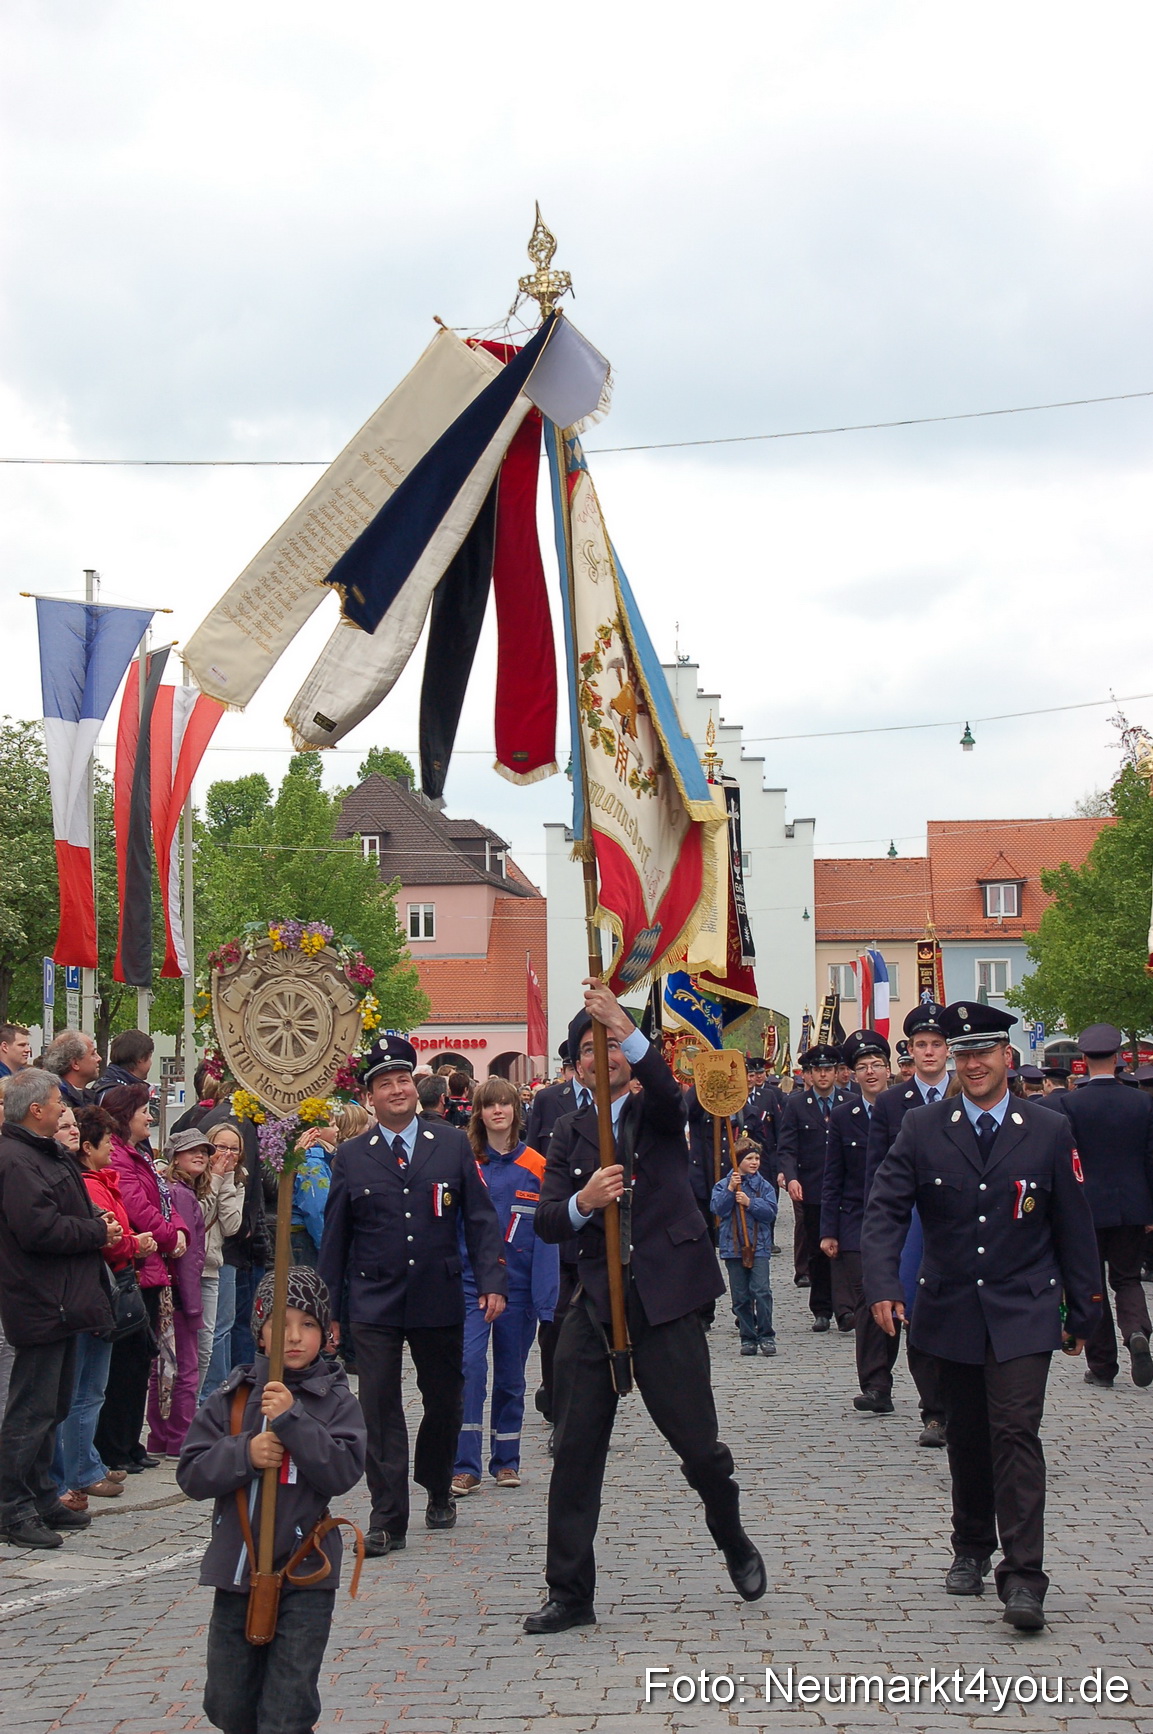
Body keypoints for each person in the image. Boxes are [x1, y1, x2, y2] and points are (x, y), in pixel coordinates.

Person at [526, 981, 765, 1635]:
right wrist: (584, 1203)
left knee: (698, 1447)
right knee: (574, 1452)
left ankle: (730, 1530)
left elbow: (665, 1088)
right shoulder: (567, 1131)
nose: (600, 1057)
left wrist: (617, 1019)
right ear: (573, 1066)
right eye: (586, 1049)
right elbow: (547, 1219)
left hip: (664, 1300)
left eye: (610, 1045)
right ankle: (569, 1592)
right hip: (595, 1303)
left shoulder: (658, 1113)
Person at [862, 1000, 1102, 1631]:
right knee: (966, 1435)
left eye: (982, 1052)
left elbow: (1073, 1225)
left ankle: (1024, 1577)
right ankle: (970, 1546)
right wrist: (884, 1282)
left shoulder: (1047, 1129)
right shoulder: (923, 1127)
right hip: (950, 1304)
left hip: (1023, 1304)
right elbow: (885, 1208)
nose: (971, 1064)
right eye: (961, 1053)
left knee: (1016, 1433)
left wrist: (1085, 1310)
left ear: (1007, 1057)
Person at [317, 1035, 507, 1558]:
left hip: (436, 1293)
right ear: (369, 1097)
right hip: (374, 1299)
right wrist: (328, 1311)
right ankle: (387, 1517)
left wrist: (491, 1280)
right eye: (385, 1084)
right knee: (378, 1407)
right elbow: (336, 1236)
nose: (397, 1090)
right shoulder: (352, 1156)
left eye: (403, 1080)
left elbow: (479, 1216)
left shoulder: (447, 1143)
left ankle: (437, 1482)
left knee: (445, 1398)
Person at [177, 1268, 367, 1734]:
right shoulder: (235, 1396)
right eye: (280, 1325)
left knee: (287, 1709)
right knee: (227, 1703)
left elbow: (342, 1470)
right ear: (260, 1333)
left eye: (307, 1324)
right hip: (237, 1569)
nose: (294, 1337)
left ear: (325, 1334)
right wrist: (245, 1451)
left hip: (304, 1570)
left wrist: (293, 1422)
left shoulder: (335, 1399)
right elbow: (192, 1472)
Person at [0, 1068, 117, 1548]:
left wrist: (96, 1218)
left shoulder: (44, 1153)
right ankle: (11, 1506)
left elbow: (70, 1205)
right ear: (36, 1110)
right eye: (57, 1102)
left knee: (54, 1405)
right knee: (31, 1410)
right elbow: (39, 1229)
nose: (64, 1109)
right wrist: (95, 1232)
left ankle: (43, 1495)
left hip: (65, 1298)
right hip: (41, 1297)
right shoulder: (15, 1159)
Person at [451, 1079, 559, 1496]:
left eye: (505, 1104)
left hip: (518, 1289)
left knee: (512, 1376)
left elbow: (547, 1237)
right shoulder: (466, 1163)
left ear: (517, 1110)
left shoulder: (536, 1165)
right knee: (470, 1369)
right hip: (470, 1286)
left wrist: (545, 1299)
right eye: (489, 1105)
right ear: (478, 1112)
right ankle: (465, 1465)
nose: (498, 1111)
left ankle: (507, 1460)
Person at [55, 1103, 156, 1505]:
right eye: (107, 1142)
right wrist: (134, 1242)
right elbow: (107, 1235)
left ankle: (86, 1462)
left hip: (101, 1291)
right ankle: (79, 1468)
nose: (112, 1149)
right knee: (83, 1388)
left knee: (93, 1386)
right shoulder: (87, 1182)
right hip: (89, 1291)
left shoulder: (98, 1179)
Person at [861, 1002, 951, 1447]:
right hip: (913, 1222)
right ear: (910, 1051)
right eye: (921, 1045)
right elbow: (877, 1172)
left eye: (937, 1044)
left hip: (961, 1219)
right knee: (917, 1314)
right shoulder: (893, 1102)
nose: (929, 1053)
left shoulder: (967, 1092)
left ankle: (967, 1405)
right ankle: (935, 1412)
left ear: (948, 1050)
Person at [1050, 1023, 1153, 1390]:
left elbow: (1066, 1160)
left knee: (1089, 1283)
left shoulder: (1069, 1104)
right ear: (1120, 1059)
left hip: (1086, 1208)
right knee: (1126, 1278)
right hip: (1133, 1205)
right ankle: (1137, 1331)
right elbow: (1150, 1159)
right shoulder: (1143, 1101)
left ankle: (1103, 1364)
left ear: (1082, 1060)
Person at [94, 1083, 187, 1474]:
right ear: (125, 1115)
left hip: (152, 1269)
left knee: (140, 1363)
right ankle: (114, 1445)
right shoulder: (118, 1156)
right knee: (126, 1365)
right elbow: (137, 1209)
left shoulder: (140, 1155)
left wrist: (178, 1228)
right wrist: (170, 1235)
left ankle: (130, 1442)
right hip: (135, 1269)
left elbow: (163, 1198)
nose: (150, 1117)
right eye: (144, 1110)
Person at [819, 1029, 895, 1398]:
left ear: (888, 1069)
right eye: (862, 1066)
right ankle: (875, 1384)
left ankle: (891, 1369)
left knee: (894, 1301)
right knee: (868, 1298)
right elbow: (832, 1177)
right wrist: (828, 1230)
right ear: (852, 1073)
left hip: (899, 1220)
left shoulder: (906, 1108)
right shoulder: (843, 1114)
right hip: (855, 1221)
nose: (870, 1072)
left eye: (877, 1065)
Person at [776, 1043, 849, 1330]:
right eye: (817, 1070)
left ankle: (845, 1309)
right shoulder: (796, 1104)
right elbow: (787, 1147)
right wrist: (791, 1177)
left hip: (845, 1188)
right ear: (809, 1074)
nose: (823, 1075)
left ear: (836, 1072)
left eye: (828, 1070)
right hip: (813, 1187)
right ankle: (821, 1309)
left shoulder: (849, 1100)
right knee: (818, 1251)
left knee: (846, 1249)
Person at [148, 1131, 209, 1456]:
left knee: (165, 1367)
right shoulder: (182, 1194)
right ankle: (180, 1438)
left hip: (171, 1290)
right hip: (180, 1294)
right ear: (176, 1157)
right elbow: (188, 1255)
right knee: (184, 1368)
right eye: (191, 1151)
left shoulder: (177, 1190)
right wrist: (193, 1303)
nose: (199, 1155)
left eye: (203, 1150)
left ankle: (161, 1437)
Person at [710, 1139, 777, 1355]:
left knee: (761, 1290)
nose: (754, 1162)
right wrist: (730, 1190)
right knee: (740, 1296)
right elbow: (718, 1209)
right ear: (738, 1161)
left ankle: (766, 1334)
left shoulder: (764, 1186)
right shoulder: (723, 1185)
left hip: (759, 1247)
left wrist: (750, 1203)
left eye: (757, 1158)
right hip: (733, 1247)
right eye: (749, 1158)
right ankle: (747, 1336)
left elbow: (770, 1213)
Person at [199, 1119, 247, 1398]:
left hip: (217, 1261)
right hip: (192, 1262)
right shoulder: (193, 1173)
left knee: (221, 1329)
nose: (227, 1155)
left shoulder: (238, 1179)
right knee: (201, 1336)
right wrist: (215, 1179)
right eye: (221, 1147)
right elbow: (200, 1217)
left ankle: (213, 1395)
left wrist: (226, 1180)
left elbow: (231, 1225)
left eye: (234, 1149)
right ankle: (200, 1395)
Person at [90, 1029, 154, 1101]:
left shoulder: (106, 1085)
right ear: (141, 1058)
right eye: (149, 1057)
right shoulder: (120, 1095)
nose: (151, 1063)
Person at [42, 1030, 102, 1108]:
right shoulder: (57, 1103)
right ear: (75, 1063)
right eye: (93, 1053)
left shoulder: (88, 1097)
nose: (99, 1058)